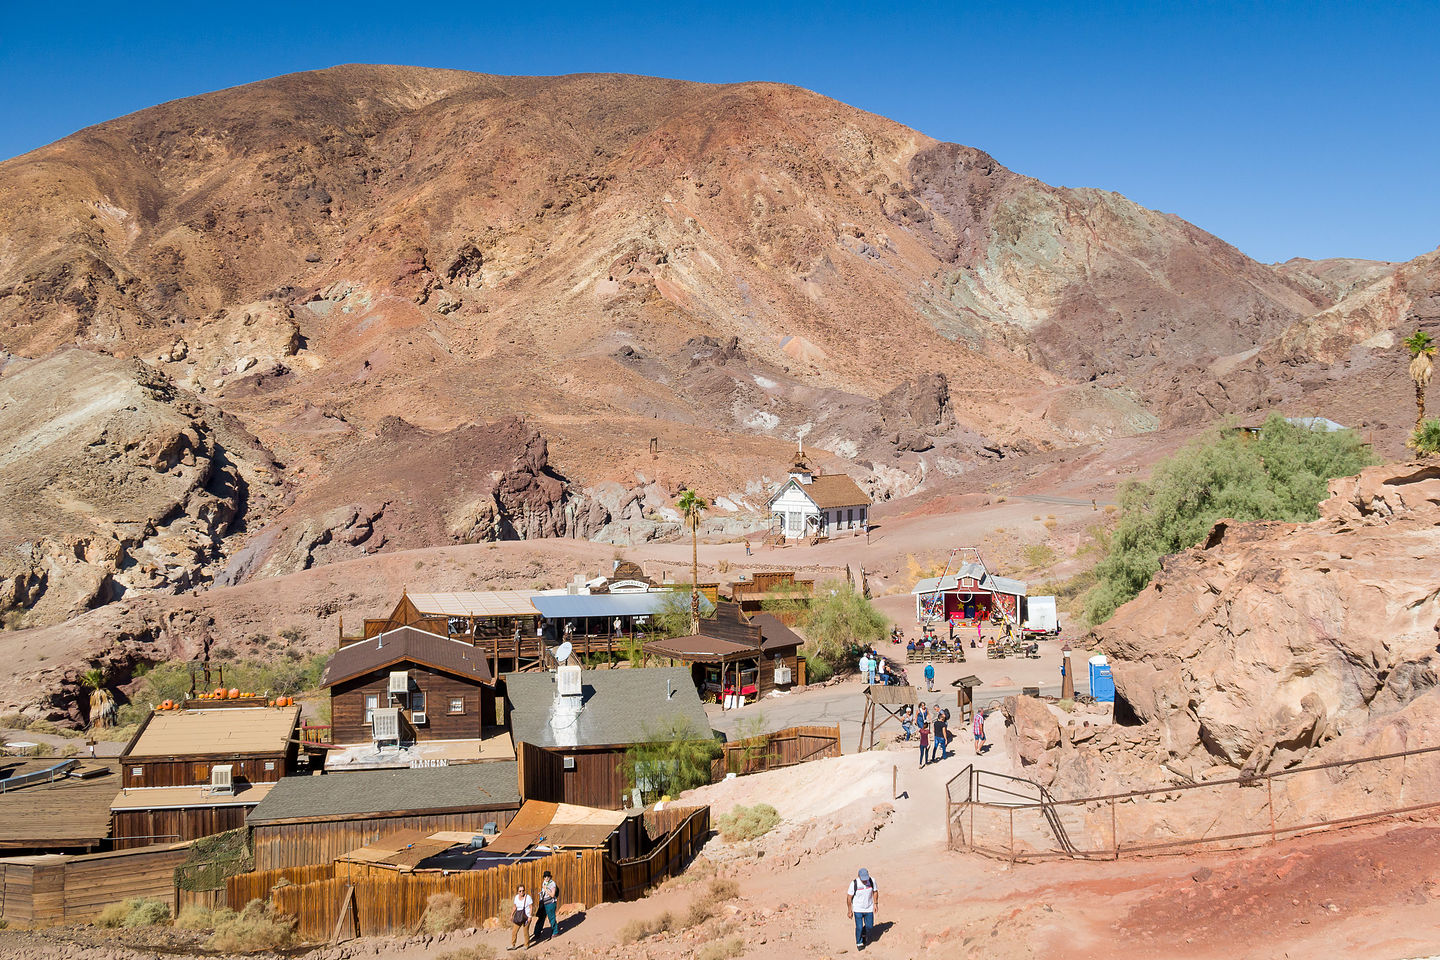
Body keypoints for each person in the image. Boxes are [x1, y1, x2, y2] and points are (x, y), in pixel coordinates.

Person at [846, 867, 879, 951]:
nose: (865, 881)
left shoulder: (872, 881)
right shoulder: (854, 883)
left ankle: (864, 933)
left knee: (870, 926)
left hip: (869, 908)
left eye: (866, 879)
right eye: (863, 879)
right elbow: (849, 897)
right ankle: (859, 942)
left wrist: (875, 904)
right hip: (858, 909)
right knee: (859, 927)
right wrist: (849, 911)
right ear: (859, 876)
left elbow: (875, 892)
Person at [535, 870, 559, 941]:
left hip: (550, 903)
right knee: (541, 918)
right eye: (545, 876)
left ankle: (555, 932)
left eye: (548, 876)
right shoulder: (544, 883)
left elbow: (552, 894)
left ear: (550, 877)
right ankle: (537, 933)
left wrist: (546, 890)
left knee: (551, 918)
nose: (546, 878)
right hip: (544, 903)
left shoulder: (552, 884)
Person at [509, 882, 534, 950]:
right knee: (514, 931)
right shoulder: (516, 897)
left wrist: (530, 917)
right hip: (519, 917)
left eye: (523, 890)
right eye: (520, 891)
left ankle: (526, 945)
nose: (521, 892)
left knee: (525, 931)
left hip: (526, 917)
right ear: (517, 891)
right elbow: (515, 907)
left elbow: (531, 907)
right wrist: (511, 915)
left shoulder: (528, 897)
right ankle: (513, 945)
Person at [917, 704, 930, 768]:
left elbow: (919, 736)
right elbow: (928, 738)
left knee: (921, 754)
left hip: (921, 743)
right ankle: (926, 762)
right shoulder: (927, 731)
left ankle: (920, 763)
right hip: (926, 743)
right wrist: (929, 744)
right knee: (926, 753)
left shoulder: (921, 730)